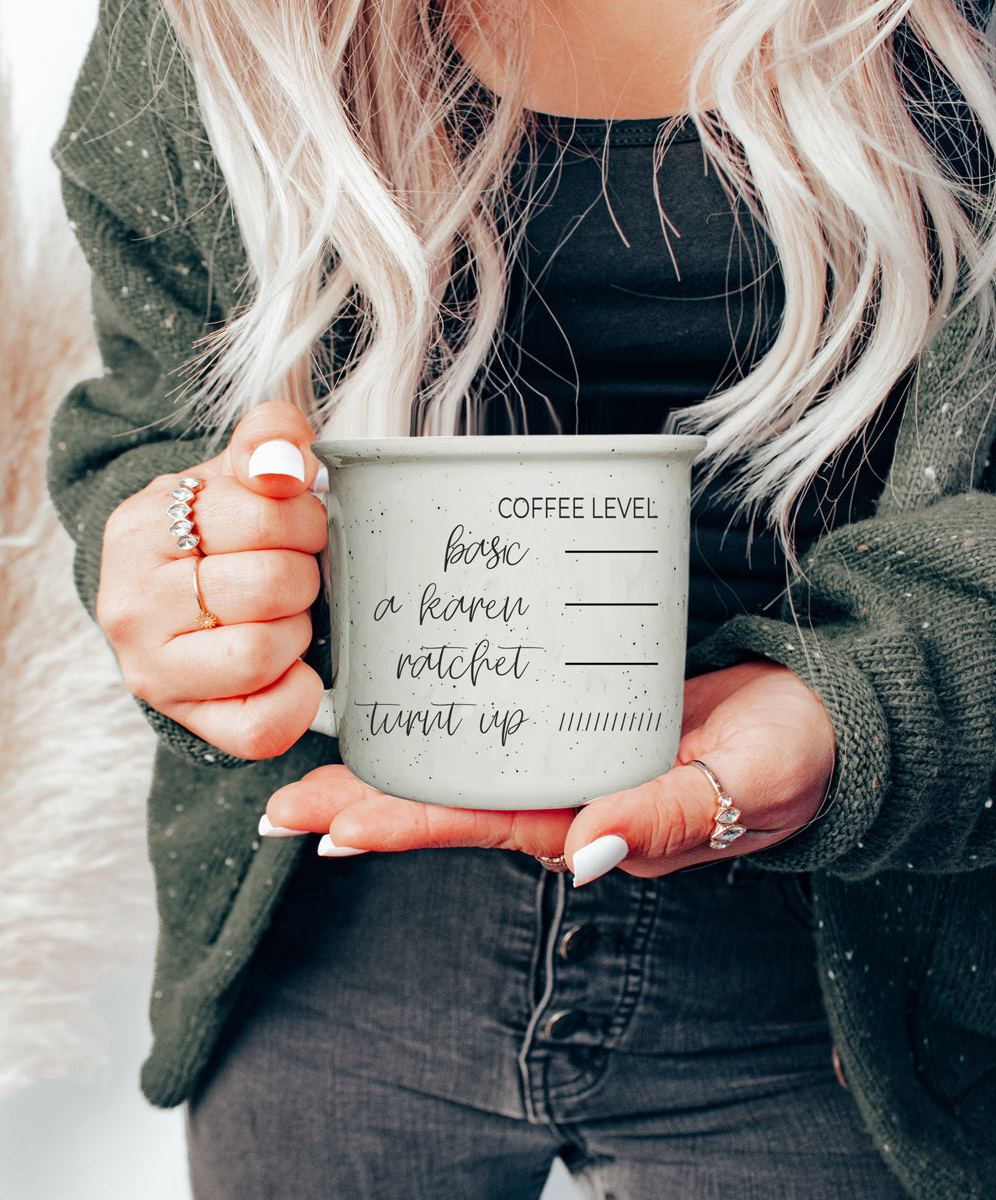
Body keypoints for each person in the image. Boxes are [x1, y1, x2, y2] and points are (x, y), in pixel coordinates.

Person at [49, 0, 996, 1195]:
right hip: (332, 930)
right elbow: (155, 414)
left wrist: (868, 709)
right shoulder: (215, 21)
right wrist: (180, 553)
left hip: (873, 983)